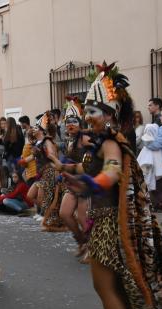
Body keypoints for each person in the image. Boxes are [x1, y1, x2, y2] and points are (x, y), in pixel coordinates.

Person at [61, 62, 162, 309]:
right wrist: (71, 169)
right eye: (87, 111)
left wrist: (92, 182)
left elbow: (112, 171)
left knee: (104, 285)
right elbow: (96, 167)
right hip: (105, 221)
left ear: (108, 114)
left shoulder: (111, 142)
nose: (87, 117)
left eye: (94, 111)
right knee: (117, 286)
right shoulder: (102, 142)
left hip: (109, 224)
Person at [54, 96, 90, 259]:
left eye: (74, 121)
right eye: (68, 121)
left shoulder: (85, 138)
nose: (70, 124)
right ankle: (82, 242)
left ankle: (92, 247)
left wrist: (65, 167)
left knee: (83, 218)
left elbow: (90, 163)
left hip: (86, 183)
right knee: (65, 213)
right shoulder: (70, 140)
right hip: (72, 182)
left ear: (81, 122)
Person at [23, 111, 66, 231]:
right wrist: (23, 161)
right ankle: (47, 213)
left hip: (49, 172)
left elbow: (53, 156)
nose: (33, 129)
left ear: (42, 130)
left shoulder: (47, 141)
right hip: (41, 174)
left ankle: (48, 215)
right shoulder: (38, 142)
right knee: (31, 196)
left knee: (45, 198)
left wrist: (51, 157)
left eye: (36, 127)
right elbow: (34, 156)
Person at [1, 116, 24, 188]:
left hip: (10, 157)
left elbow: (6, 146)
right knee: (18, 173)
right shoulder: (19, 131)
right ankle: (20, 188)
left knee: (11, 174)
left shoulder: (8, 133)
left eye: (6, 123)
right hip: (18, 156)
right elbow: (22, 143)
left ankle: (14, 188)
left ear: (8, 124)